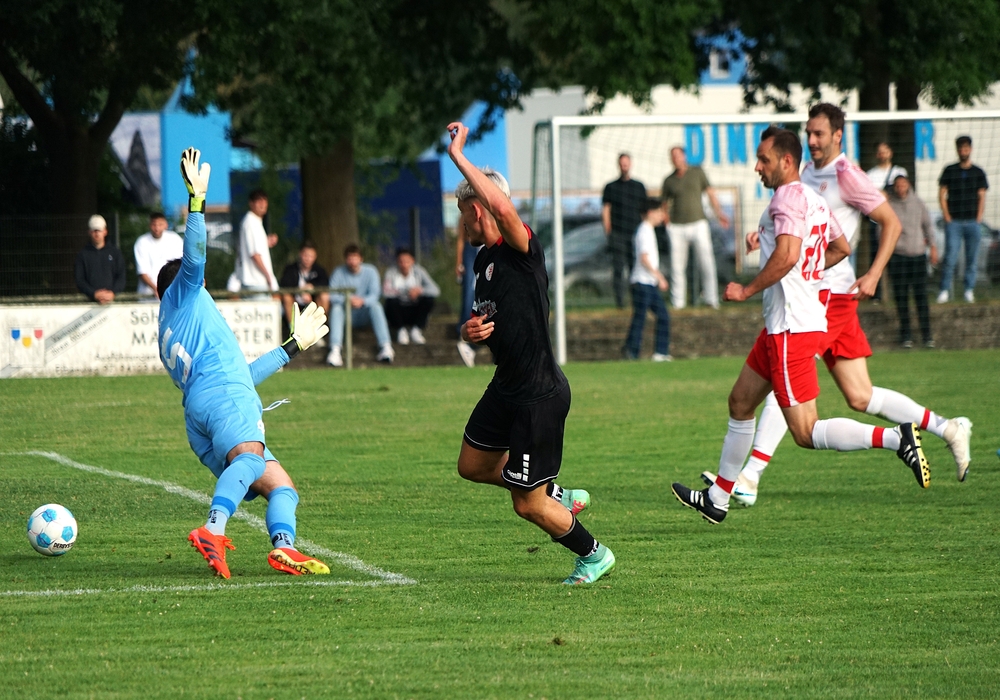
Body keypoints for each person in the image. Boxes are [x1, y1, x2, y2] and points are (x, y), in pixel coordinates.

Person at [701, 105, 973, 508]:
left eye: (820, 134)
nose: (812, 140)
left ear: (838, 136)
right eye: (809, 133)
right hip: (818, 297)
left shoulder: (847, 175)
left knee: (787, 381)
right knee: (860, 395)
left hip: (825, 299)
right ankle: (947, 428)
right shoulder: (804, 176)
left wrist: (874, 273)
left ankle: (750, 475)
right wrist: (767, 235)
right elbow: (798, 229)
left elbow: (890, 223)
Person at [672, 126, 930, 525]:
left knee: (805, 432)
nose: (757, 167)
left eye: (764, 160)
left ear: (786, 161)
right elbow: (841, 248)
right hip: (784, 325)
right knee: (740, 402)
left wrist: (747, 289)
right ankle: (718, 498)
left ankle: (896, 437)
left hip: (791, 328)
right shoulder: (813, 198)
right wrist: (797, 265)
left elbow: (789, 254)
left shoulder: (786, 198)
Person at [448, 120, 614, 584]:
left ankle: (594, 554)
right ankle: (556, 491)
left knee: (526, 503)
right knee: (472, 464)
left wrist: (459, 156)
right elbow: (488, 321)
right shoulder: (484, 261)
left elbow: (502, 207)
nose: (462, 224)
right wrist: (469, 332)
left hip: (538, 395)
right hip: (507, 386)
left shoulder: (521, 248)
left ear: (478, 210)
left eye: (463, 214)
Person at [158, 148, 330, 579]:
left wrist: (292, 347)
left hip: (209, 408)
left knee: (282, 486)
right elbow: (194, 259)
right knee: (251, 460)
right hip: (222, 401)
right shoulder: (185, 294)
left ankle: (284, 547)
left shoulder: (176, 326)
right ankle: (212, 530)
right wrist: (197, 202)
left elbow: (242, 378)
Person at [661, 146, 730, 309]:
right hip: (677, 227)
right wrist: (667, 221)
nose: (676, 159)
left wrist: (719, 213)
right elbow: (664, 204)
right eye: (673, 156)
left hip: (698, 223)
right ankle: (678, 302)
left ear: (684, 156)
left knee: (706, 262)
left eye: (678, 155)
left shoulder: (697, 173)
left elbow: (710, 193)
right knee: (677, 266)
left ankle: (711, 299)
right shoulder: (668, 180)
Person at [887, 174, 937, 348]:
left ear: (908, 185)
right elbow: (883, 229)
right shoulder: (889, 205)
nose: (901, 188)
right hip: (898, 256)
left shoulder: (918, 203)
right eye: (898, 185)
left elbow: (928, 225)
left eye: (903, 185)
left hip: (917, 255)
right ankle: (906, 335)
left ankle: (927, 335)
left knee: (921, 296)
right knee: (901, 298)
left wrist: (933, 247)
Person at [937, 136, 989, 303]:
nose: (963, 151)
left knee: (972, 259)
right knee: (950, 257)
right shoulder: (949, 170)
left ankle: (968, 290)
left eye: (966, 148)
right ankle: (944, 290)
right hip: (954, 222)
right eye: (960, 148)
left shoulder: (978, 172)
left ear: (970, 149)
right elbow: (942, 193)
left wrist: (979, 217)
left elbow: (982, 196)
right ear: (957, 150)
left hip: (972, 222)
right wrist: (946, 215)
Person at [326, 244, 393, 366]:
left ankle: (386, 347)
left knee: (376, 306)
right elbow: (332, 295)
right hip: (346, 314)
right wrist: (348, 300)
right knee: (336, 309)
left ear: (361, 259)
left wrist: (362, 301)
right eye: (350, 258)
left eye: (355, 258)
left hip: (365, 314)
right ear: (346, 259)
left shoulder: (371, 271)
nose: (352, 261)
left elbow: (375, 294)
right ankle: (335, 350)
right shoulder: (338, 272)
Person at [622, 197, 671, 361]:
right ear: (650, 213)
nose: (662, 215)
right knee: (640, 318)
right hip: (642, 283)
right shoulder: (644, 231)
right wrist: (660, 277)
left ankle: (660, 352)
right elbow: (644, 258)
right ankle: (632, 351)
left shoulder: (648, 230)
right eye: (659, 212)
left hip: (649, 283)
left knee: (662, 316)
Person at [602, 153, 647, 308]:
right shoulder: (611, 187)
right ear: (618, 165)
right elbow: (606, 209)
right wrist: (608, 230)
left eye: (626, 163)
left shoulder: (639, 186)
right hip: (618, 234)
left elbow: (644, 210)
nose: (624, 166)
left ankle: (637, 301)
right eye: (622, 164)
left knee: (636, 268)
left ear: (630, 164)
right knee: (618, 269)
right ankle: (620, 302)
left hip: (635, 234)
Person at [864, 142, 908, 301]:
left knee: (896, 256)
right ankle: (876, 293)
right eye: (880, 152)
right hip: (876, 222)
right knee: (876, 255)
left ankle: (898, 293)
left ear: (891, 152)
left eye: (885, 151)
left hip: (895, 218)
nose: (883, 154)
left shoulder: (899, 171)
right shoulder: (870, 174)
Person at [382, 247, 440, 345]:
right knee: (390, 302)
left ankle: (416, 330)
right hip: (398, 310)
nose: (404, 265)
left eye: (407, 261)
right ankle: (401, 330)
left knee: (429, 300)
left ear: (412, 261)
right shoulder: (391, 272)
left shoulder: (419, 272)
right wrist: (404, 292)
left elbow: (435, 290)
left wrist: (420, 291)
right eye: (401, 262)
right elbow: (385, 292)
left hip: (414, 308)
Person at [279, 240, 330, 335]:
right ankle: (293, 331)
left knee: (324, 296)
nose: (308, 259)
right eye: (306, 255)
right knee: (286, 296)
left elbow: (325, 284)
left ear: (315, 257)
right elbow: (284, 285)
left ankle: (317, 329)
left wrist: (312, 288)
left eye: (311, 256)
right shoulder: (290, 269)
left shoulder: (319, 271)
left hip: (313, 303)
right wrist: (301, 291)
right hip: (295, 303)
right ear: (300, 254)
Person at [234, 189, 278, 295]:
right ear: (251, 203)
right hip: (256, 281)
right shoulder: (251, 222)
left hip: (255, 281)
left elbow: (254, 247)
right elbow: (254, 254)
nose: (262, 204)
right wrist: (268, 276)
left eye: (264, 200)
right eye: (259, 201)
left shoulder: (254, 221)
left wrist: (266, 242)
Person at [74, 214, 126, 304]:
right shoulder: (82, 255)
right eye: (94, 231)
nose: (97, 234)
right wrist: (94, 294)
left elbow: (121, 277)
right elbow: (79, 279)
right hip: (89, 303)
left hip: (113, 303)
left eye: (99, 230)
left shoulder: (115, 253)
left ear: (105, 231)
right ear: (89, 232)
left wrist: (112, 293)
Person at [133, 212, 184, 299]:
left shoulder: (175, 239)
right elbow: (142, 271)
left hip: (172, 294)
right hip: (148, 295)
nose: (157, 228)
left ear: (166, 225)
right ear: (149, 225)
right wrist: (156, 289)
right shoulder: (142, 242)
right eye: (154, 224)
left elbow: (179, 266)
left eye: (160, 224)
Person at [455, 225, 481, 367]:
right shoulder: (468, 215)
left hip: (488, 246)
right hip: (473, 248)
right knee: (470, 291)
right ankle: (467, 332)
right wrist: (459, 262)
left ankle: (471, 341)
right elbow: (461, 237)